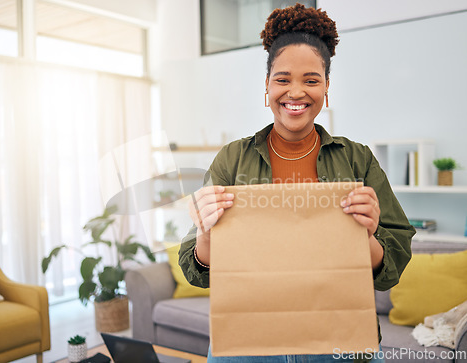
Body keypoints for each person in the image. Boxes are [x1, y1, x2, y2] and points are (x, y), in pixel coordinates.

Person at [178, 3, 415, 362]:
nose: (296, 92)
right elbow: (197, 271)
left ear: (326, 87)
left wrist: (365, 237)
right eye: (283, 79)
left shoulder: (357, 159)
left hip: (340, 343)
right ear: (268, 86)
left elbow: (390, 269)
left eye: (311, 80)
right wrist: (206, 235)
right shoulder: (232, 159)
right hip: (249, 344)